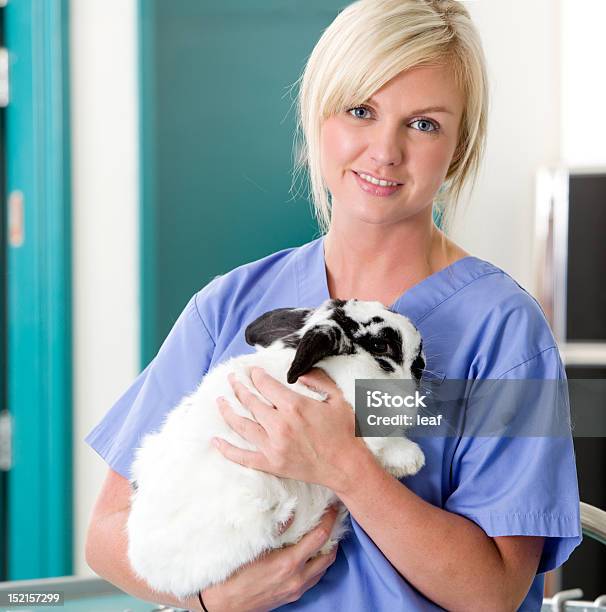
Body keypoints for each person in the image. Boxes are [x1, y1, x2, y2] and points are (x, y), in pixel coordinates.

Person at [84, 1, 581, 610]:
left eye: (423, 124)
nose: (385, 150)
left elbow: (493, 593)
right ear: (318, 118)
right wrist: (213, 600)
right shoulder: (231, 305)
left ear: (461, 147)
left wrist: (346, 466)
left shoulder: (504, 332)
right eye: (360, 111)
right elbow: (109, 533)